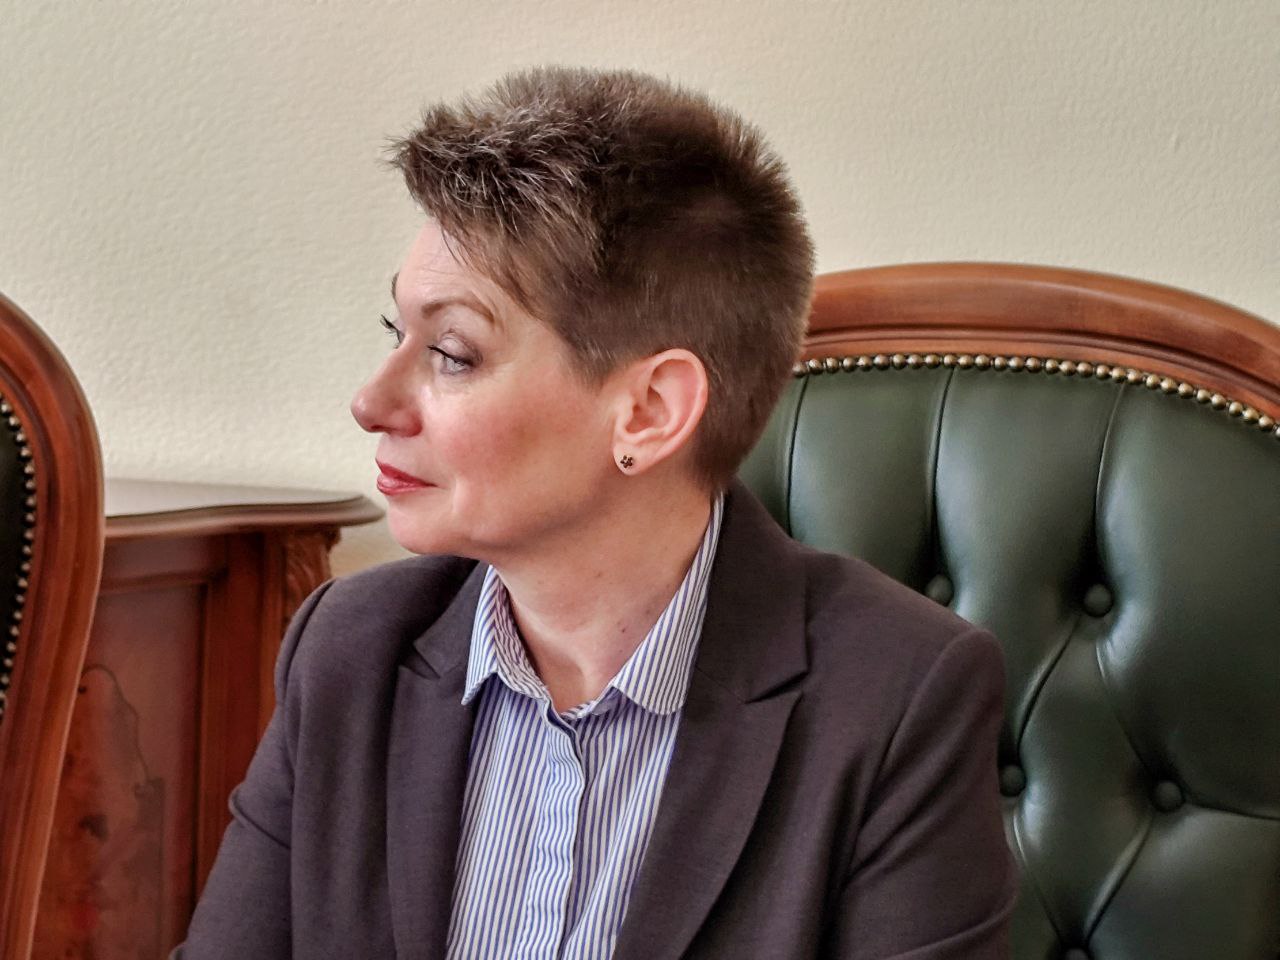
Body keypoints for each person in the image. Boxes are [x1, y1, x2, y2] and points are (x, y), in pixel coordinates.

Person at [175, 65, 1016, 959]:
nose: (371, 401)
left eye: (453, 353)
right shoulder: (349, 650)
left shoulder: (898, 698)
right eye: (397, 334)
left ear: (648, 412)